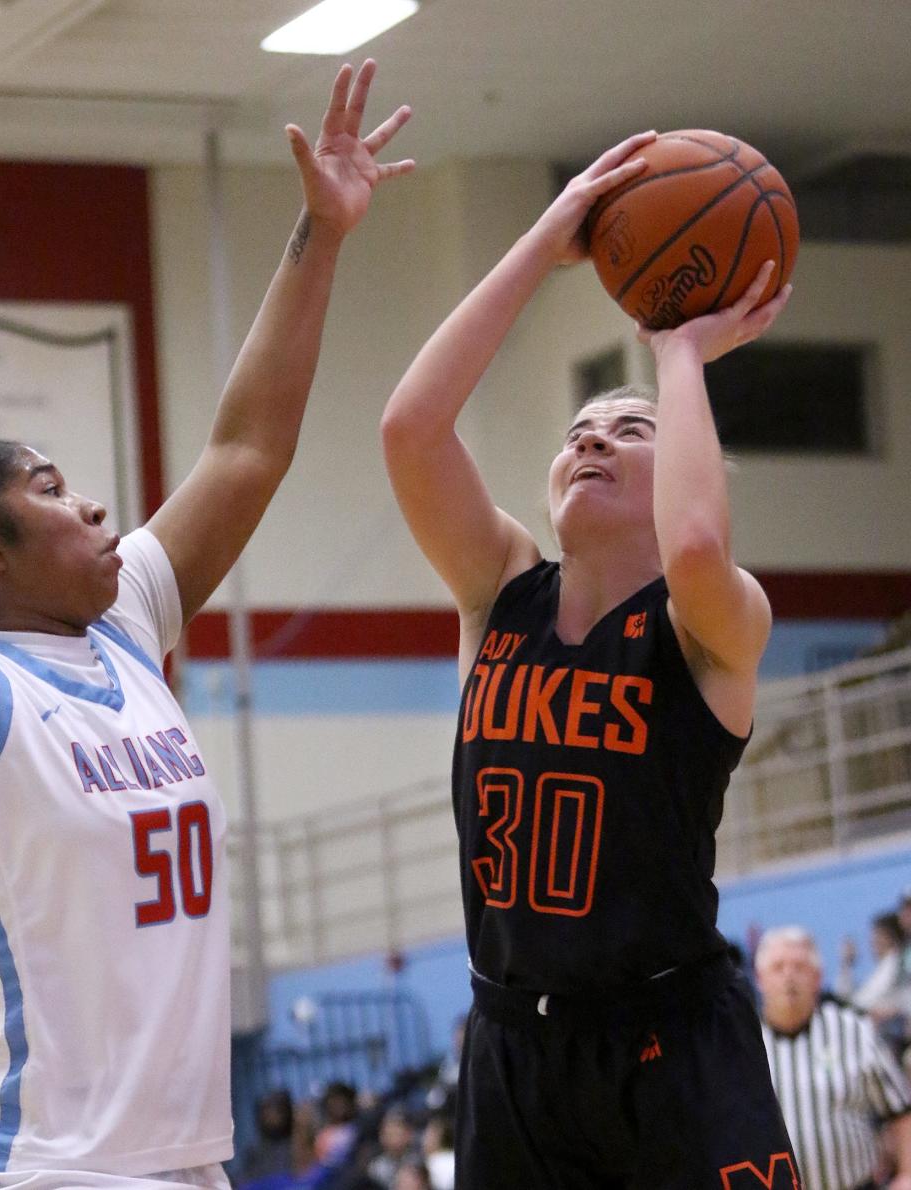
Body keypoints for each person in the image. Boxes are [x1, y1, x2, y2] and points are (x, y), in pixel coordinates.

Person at [0, 59, 413, 1190]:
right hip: (36, 1165)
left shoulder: (123, 625)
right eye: (52, 489)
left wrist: (322, 236)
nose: (94, 503)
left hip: (183, 1161)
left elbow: (247, 447)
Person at [381, 132, 797, 1188]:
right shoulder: (499, 589)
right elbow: (410, 428)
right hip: (514, 1044)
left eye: (631, 426)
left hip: (672, 1042)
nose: (595, 436)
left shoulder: (711, 621)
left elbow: (697, 541)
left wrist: (679, 352)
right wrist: (542, 239)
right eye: (579, 428)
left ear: (686, 468)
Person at [756, 926, 911, 1190]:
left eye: (799, 967)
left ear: (818, 977)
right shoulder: (747, 1044)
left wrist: (906, 1175)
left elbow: (899, 1110)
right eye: (778, 967)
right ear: (760, 979)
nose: (789, 977)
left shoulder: (854, 1030)